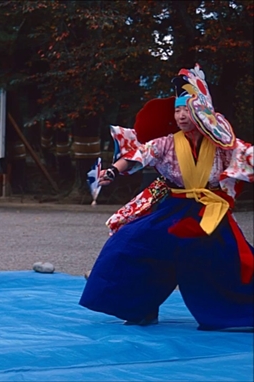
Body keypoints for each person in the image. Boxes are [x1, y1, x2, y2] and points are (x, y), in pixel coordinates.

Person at [79, 64, 253, 330]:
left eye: (187, 109)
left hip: (208, 211)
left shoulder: (225, 144)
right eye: (177, 110)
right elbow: (139, 154)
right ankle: (142, 308)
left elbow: (248, 157)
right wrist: (113, 172)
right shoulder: (167, 142)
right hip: (173, 207)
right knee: (129, 244)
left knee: (227, 261)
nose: (181, 116)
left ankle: (235, 315)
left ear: (203, 113)